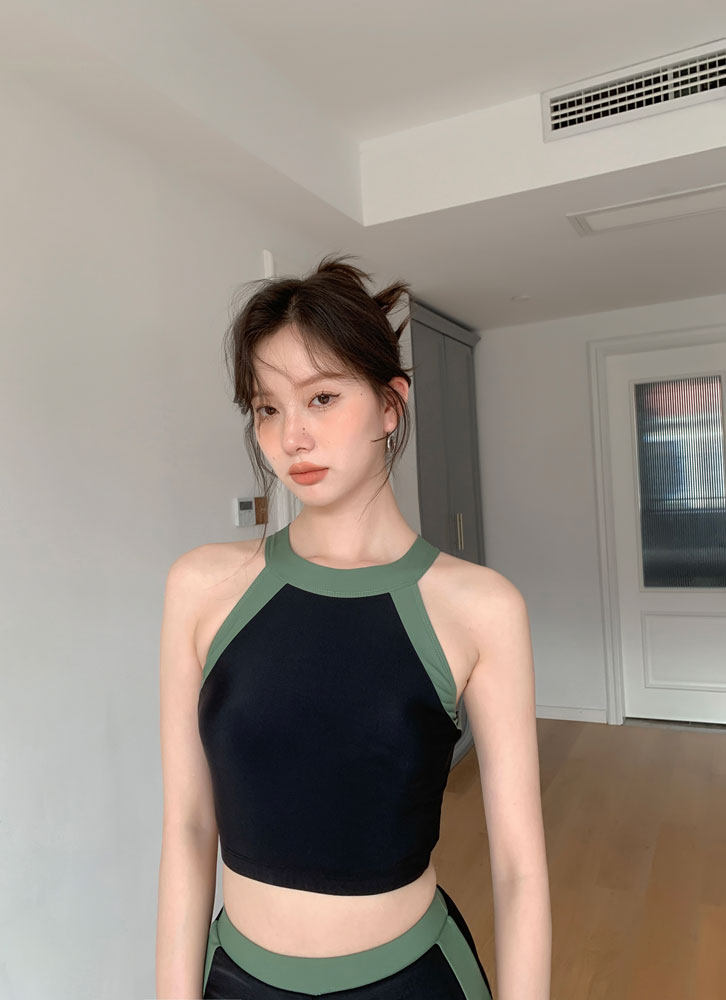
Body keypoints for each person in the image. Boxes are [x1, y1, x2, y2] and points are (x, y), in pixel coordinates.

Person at [155, 254, 552, 999]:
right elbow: (188, 828)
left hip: (414, 981)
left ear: (391, 404)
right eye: (267, 408)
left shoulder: (480, 607)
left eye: (322, 398)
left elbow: (519, 869)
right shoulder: (202, 588)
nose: (292, 438)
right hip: (238, 981)